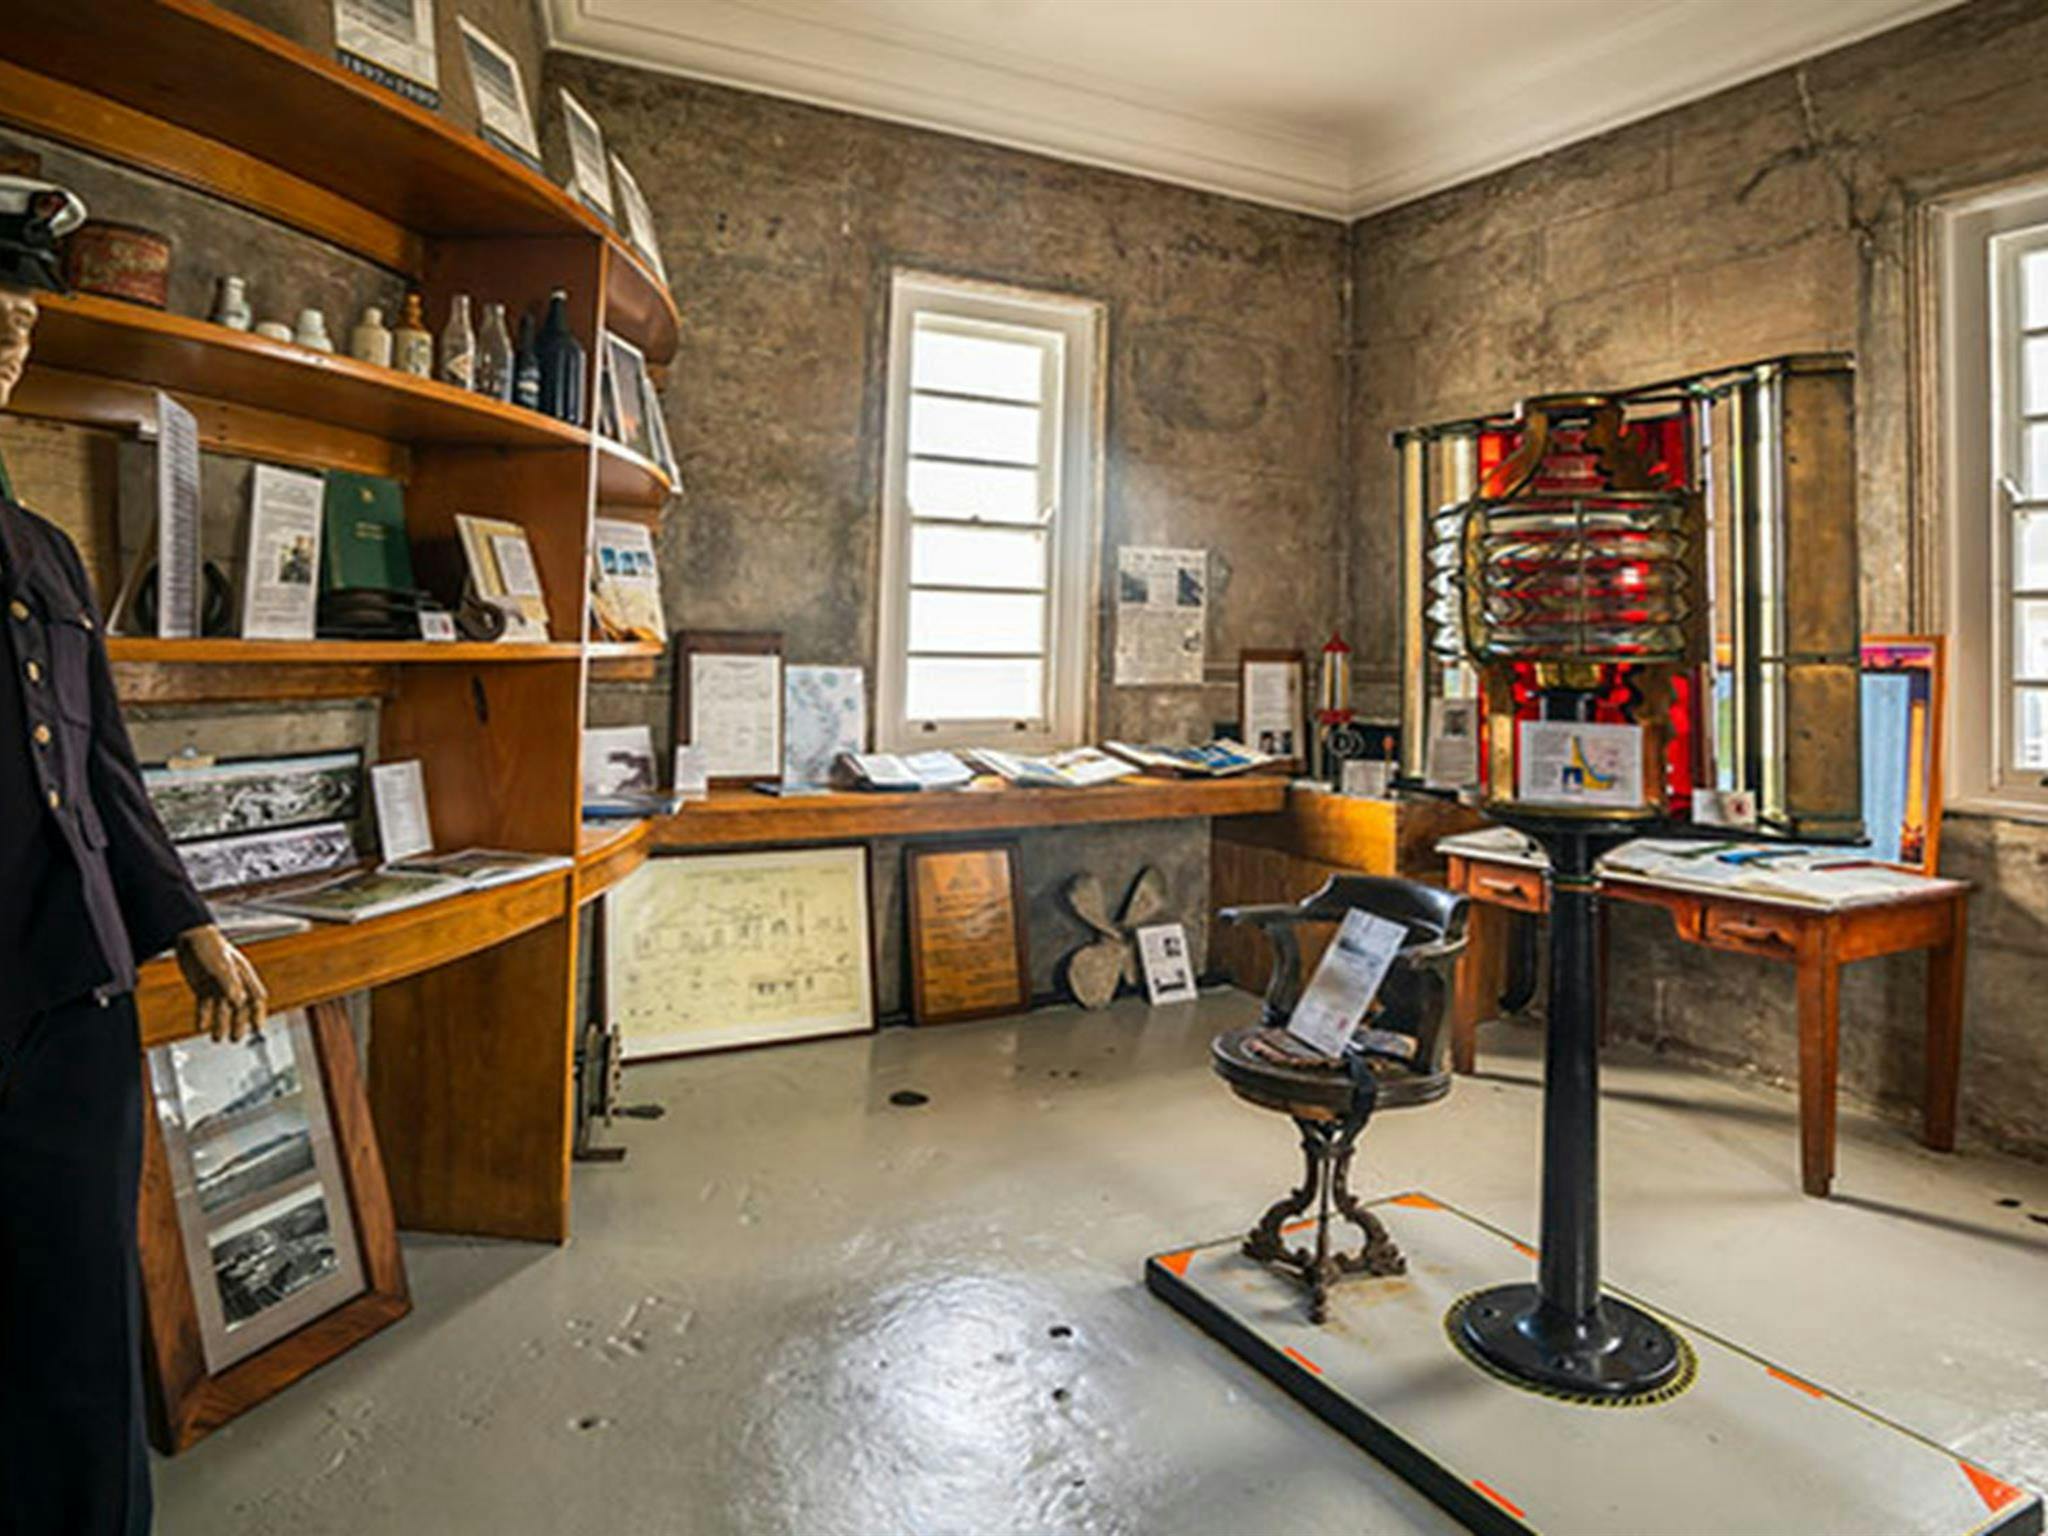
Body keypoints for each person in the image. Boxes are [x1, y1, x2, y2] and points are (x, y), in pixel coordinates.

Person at [0, 174, 269, 1536]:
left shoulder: (42, 552)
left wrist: (190, 923)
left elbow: (107, 769)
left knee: (82, 1303)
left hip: (72, 991)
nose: (7, 342)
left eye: (20, 325)